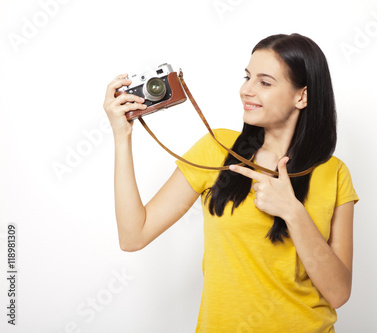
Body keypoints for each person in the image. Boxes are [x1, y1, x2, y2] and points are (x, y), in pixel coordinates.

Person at [103, 33, 359, 333]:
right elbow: (134, 236)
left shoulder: (334, 173)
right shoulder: (217, 148)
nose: (246, 90)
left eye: (265, 82)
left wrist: (293, 213)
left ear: (301, 96)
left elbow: (339, 293)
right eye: (247, 77)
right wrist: (122, 137)